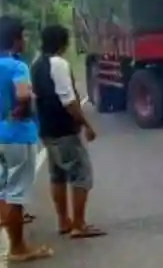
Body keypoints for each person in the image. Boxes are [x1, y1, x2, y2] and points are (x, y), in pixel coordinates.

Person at [31, 24, 104, 240]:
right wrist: (86, 124)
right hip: (64, 129)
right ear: (62, 43)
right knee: (81, 174)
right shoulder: (59, 64)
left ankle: (64, 221)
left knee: (58, 175)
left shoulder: (36, 64)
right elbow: (69, 101)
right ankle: (79, 224)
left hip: (46, 128)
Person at [0, 15, 53, 262]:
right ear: (14, 39)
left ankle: (14, 243)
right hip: (18, 135)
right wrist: (23, 107)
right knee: (16, 193)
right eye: (23, 36)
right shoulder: (17, 66)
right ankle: (18, 248)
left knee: (4, 189)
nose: (25, 40)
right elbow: (23, 95)